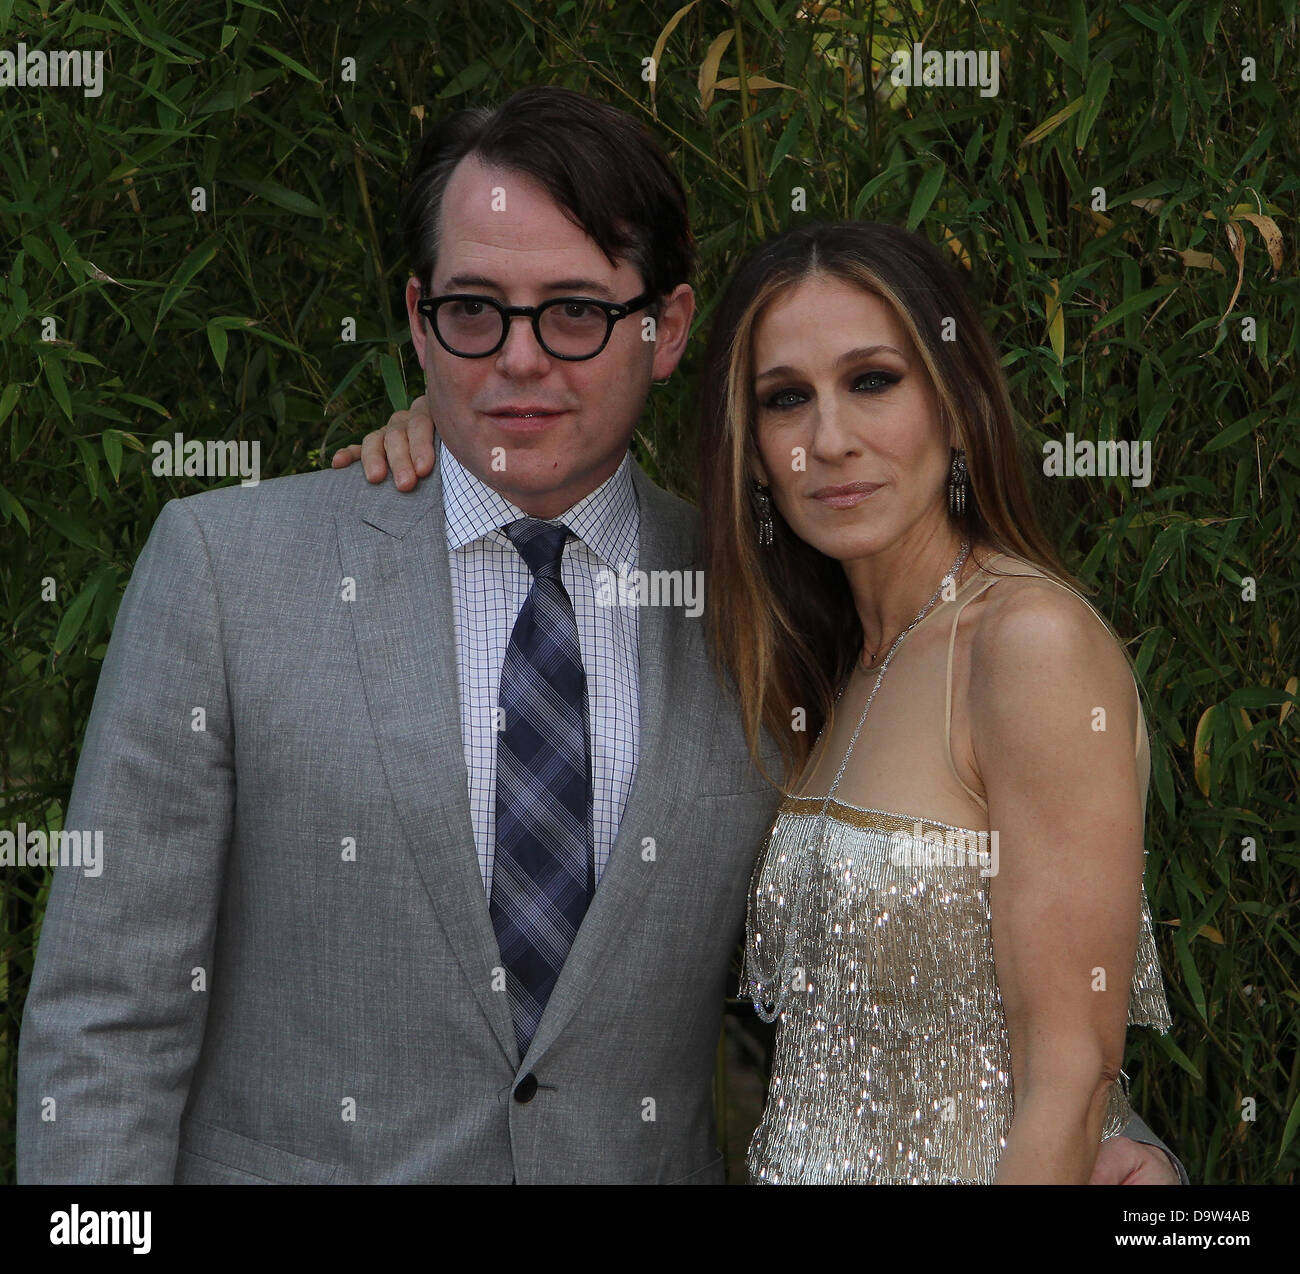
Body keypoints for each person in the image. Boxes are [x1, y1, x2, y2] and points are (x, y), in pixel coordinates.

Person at [19, 85, 1177, 1184]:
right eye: (476, 309)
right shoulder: (230, 571)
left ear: (666, 327)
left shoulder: (766, 610)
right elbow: (105, 1016)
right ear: (420, 321)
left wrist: (1109, 1138)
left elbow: (922, 936)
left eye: (574, 312)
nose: (520, 357)